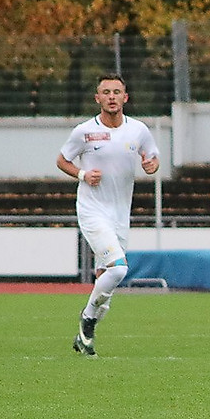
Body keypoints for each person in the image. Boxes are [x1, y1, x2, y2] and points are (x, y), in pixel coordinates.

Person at [57, 73, 160, 357]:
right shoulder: (84, 132)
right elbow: (62, 160)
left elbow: (152, 157)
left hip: (120, 214)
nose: (111, 97)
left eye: (116, 92)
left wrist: (151, 165)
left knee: (107, 284)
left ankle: (85, 338)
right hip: (92, 210)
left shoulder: (138, 130)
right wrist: (82, 174)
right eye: (106, 92)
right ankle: (87, 320)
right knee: (119, 269)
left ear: (125, 97)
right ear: (97, 98)